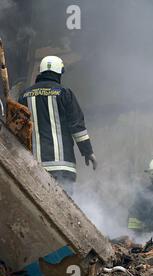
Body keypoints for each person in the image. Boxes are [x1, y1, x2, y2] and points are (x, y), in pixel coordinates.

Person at [18, 56, 97, 195]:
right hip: (63, 166)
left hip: (35, 165)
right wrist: (87, 152)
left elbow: (18, 128)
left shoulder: (24, 96)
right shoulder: (64, 93)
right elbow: (77, 126)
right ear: (59, 73)